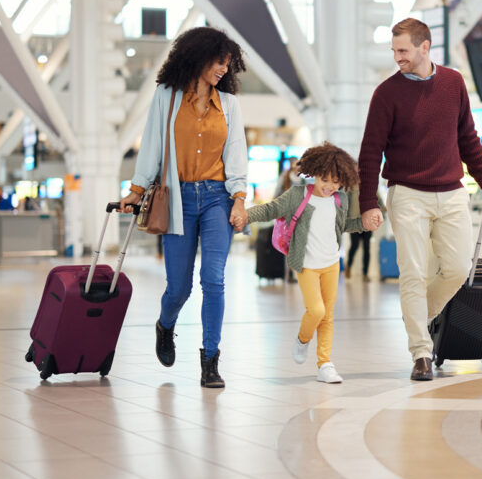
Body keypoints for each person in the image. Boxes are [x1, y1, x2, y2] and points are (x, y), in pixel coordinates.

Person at [357, 18, 482, 382]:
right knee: (413, 273)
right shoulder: (386, 93)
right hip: (407, 194)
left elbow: (468, 139)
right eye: (394, 51)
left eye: (403, 51)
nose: (398, 58)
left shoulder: (454, 83)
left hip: (452, 191)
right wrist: (367, 203)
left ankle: (423, 317)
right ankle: (421, 353)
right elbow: (369, 153)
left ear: (425, 48)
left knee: (458, 269)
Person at [119, 27, 248, 389]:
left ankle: (210, 361)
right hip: (178, 199)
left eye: (228, 63)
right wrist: (135, 190)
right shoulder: (167, 97)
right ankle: (165, 324)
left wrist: (239, 198)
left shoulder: (231, 105)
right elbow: (152, 147)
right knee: (179, 287)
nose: (224, 68)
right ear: (197, 57)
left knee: (214, 279)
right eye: (218, 61)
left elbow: (237, 153)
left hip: (217, 198)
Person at [239, 142, 364, 384]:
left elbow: (341, 226)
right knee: (316, 310)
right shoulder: (298, 194)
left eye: (336, 182)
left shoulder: (341, 199)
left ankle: (325, 364)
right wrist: (246, 216)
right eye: (325, 179)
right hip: (306, 263)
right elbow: (271, 209)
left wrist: (362, 224)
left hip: (331, 263)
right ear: (315, 173)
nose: (330, 186)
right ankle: (302, 339)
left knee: (327, 316)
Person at [345, 185, 384, 282]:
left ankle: (365, 274)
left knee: (367, 247)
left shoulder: (370, 185)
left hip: (367, 221)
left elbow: (378, 198)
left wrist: (383, 207)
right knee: (354, 245)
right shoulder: (351, 186)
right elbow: (345, 201)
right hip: (353, 221)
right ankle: (348, 267)